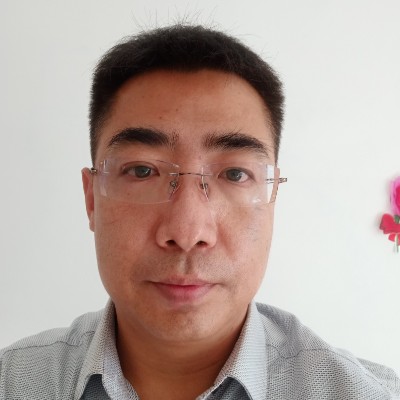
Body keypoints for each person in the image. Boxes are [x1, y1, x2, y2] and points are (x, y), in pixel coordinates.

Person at [0, 24, 399, 400]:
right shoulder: (13, 381)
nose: (188, 232)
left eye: (235, 174)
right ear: (92, 200)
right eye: (142, 171)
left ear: (272, 199)